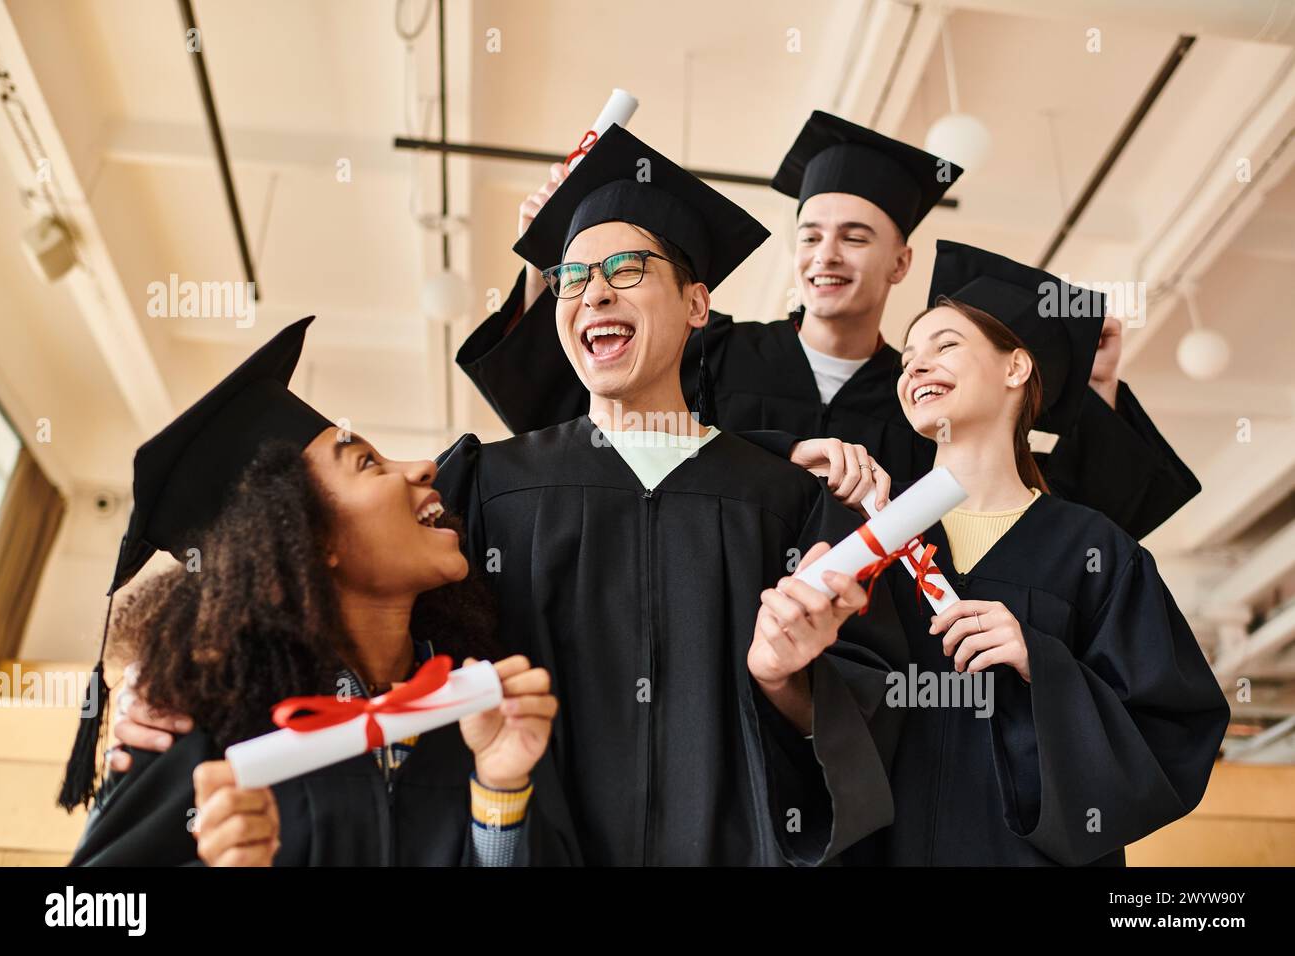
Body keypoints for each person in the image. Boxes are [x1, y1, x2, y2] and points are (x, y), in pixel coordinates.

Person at [115, 124, 905, 866]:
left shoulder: (787, 500)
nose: (593, 294)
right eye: (571, 278)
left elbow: (872, 719)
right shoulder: (485, 483)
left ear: (698, 305)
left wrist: (787, 680)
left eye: (626, 270)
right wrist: (165, 683)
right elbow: (345, 612)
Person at [456, 111, 1199, 539]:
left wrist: (1095, 388)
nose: (826, 255)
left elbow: (1049, 519)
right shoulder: (714, 351)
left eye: (855, 236)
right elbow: (564, 418)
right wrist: (550, 263)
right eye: (810, 234)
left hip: (874, 660)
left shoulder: (931, 396)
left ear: (901, 264)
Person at [62, 319, 576, 866]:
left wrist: (500, 792)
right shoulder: (194, 728)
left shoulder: (472, 705)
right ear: (307, 538)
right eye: (368, 463)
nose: (426, 467)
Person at [854, 240, 1229, 865]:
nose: (915, 367)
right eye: (907, 358)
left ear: (1015, 368)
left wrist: (1042, 663)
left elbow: (1173, 729)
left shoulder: (1095, 549)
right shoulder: (878, 537)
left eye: (944, 345)